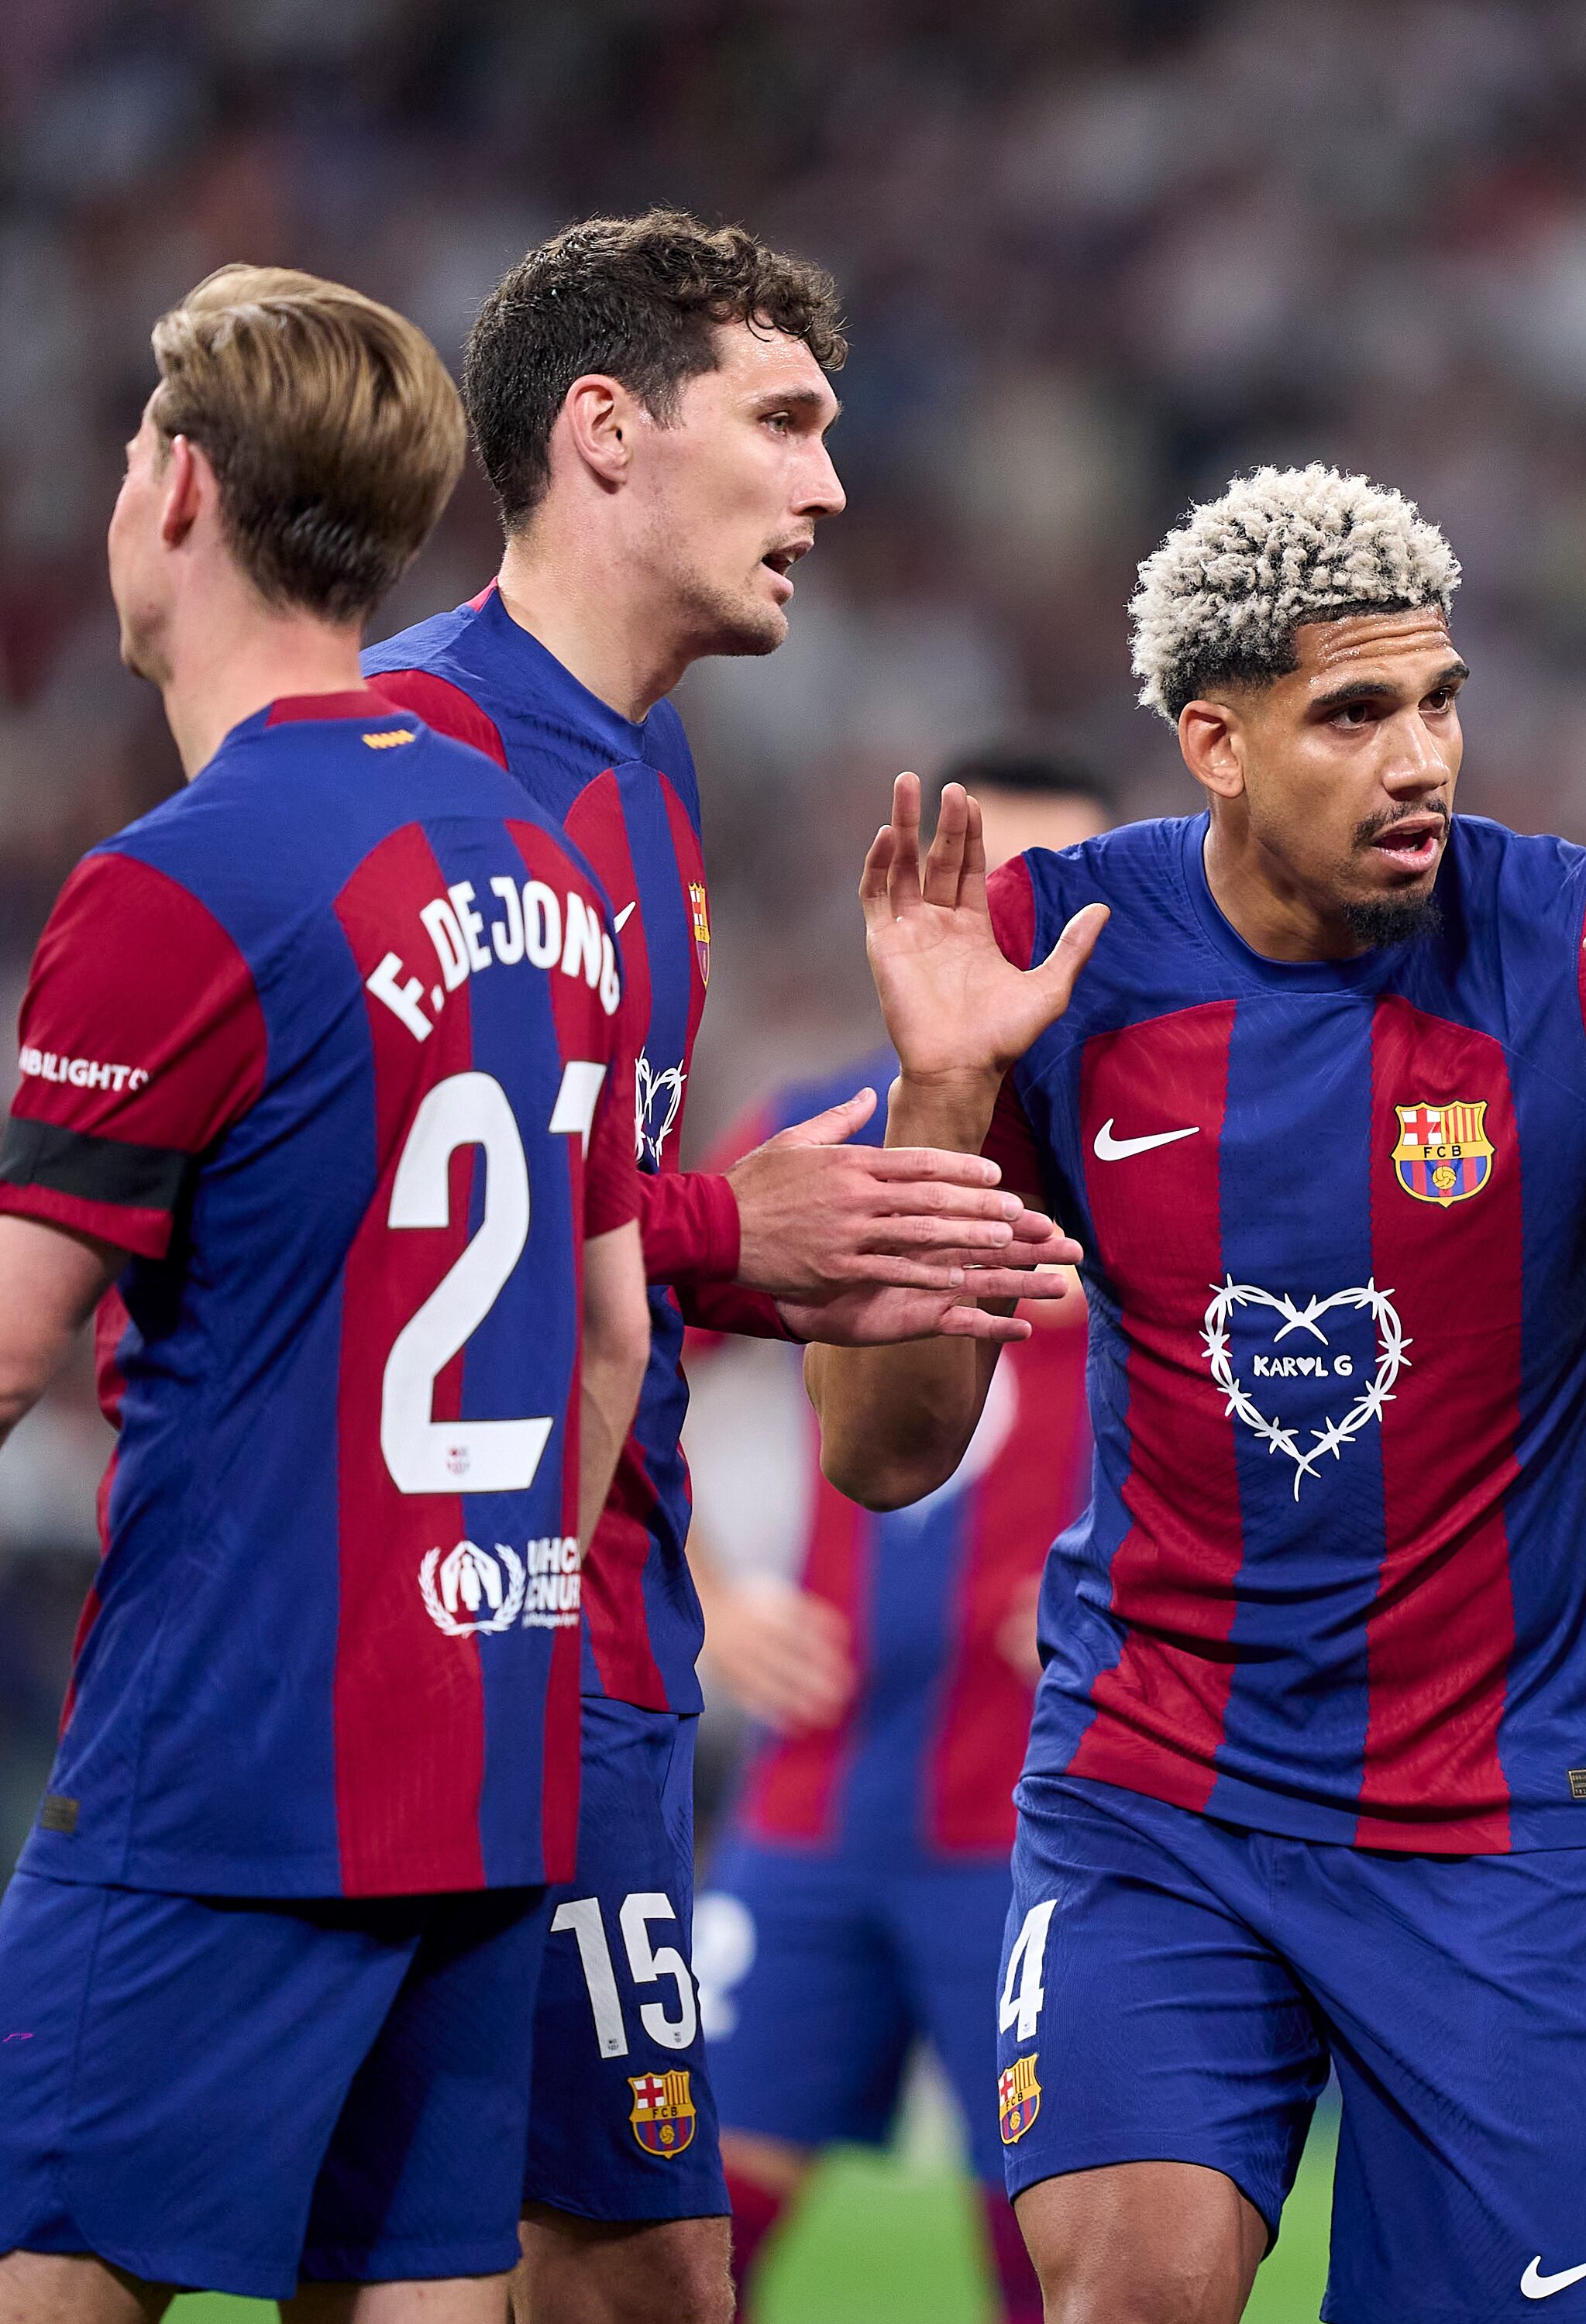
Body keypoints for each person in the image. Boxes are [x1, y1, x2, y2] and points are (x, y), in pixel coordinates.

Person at [804, 463, 1586, 2324]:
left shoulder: (1578, 952)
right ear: (1217, 741)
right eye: (1354, 713)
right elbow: (885, 1454)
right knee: (1133, 2291)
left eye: (1440, 700)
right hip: (1155, 1785)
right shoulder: (1057, 957)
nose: (1423, 755)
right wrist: (938, 1103)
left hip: (1492, 1811)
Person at [363, 212, 1075, 2324]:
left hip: (626, 1672)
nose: (832, 487)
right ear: (604, 434)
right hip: (453, 1661)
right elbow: (372, 1211)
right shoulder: (409, 755)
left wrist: (766, 1280)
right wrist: (724, 1238)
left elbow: (571, 1231)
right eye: (782, 424)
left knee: (643, 2267)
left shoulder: (642, 777)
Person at [0, 267, 653, 2319]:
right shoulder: (553, 858)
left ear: (175, 488)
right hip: (482, 1753)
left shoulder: (178, 883)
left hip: (226, 1767)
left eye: (127, 455)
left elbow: (9, 1342)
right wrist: (483, 1610)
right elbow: (614, 1335)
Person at [690, 748, 1122, 2322]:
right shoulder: (822, 1126)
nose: (1008, 924)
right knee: (672, 2249)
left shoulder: (1178, 1139)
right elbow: (607, 1350)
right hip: (818, 1794)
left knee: (1067, 2265)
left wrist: (1147, 1582)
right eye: (981, 882)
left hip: (1060, 1800)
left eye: (1051, 889)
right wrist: (707, 1598)